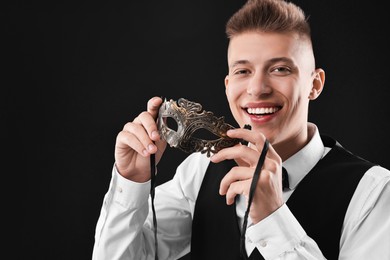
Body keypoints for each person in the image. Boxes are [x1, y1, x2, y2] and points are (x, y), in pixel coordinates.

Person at [92, 0, 390, 259]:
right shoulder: (201, 171)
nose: (257, 89)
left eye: (280, 69)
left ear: (315, 84)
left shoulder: (374, 191)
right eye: (243, 71)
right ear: (228, 86)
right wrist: (131, 183)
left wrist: (274, 218)